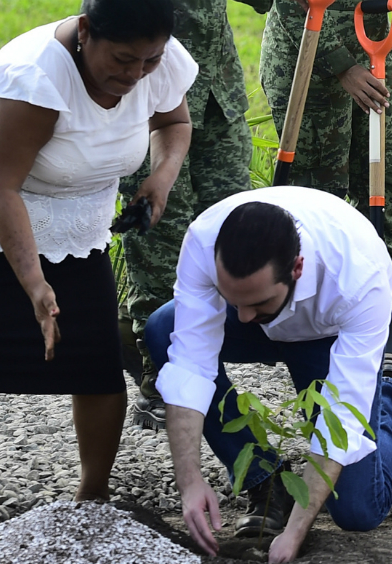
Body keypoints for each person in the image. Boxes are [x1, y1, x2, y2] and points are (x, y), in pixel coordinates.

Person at [0, 0, 196, 548]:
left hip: (76, 221)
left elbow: (175, 121)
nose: (136, 74)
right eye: (122, 60)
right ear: (85, 32)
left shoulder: (155, 55)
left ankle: (93, 496)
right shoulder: (37, 76)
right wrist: (35, 283)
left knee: (93, 358)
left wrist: (161, 175)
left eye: (149, 61)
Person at [145, 186, 392, 563]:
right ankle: (264, 480)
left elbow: (342, 417)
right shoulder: (205, 239)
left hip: (325, 335)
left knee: (358, 511)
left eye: (258, 302)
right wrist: (189, 482)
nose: (245, 317)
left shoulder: (359, 276)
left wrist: (295, 532)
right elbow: (190, 365)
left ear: (297, 267)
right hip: (273, 302)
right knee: (163, 329)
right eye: (235, 300)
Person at [118, 0, 272, 431]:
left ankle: (206, 359)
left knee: (232, 228)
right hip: (145, 91)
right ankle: (159, 377)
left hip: (216, 95)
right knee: (158, 236)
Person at [259, 0, 392, 368]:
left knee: (384, 185)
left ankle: (379, 333)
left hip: (374, 51)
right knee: (320, 198)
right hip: (310, 59)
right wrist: (343, 67)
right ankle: (311, 337)